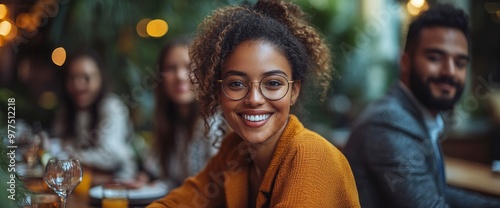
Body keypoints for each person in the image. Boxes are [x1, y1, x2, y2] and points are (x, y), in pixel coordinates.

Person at [147, 0, 360, 207]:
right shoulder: (235, 150)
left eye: (273, 83)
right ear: (218, 91)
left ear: (294, 90)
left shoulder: (310, 155)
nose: (254, 99)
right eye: (237, 84)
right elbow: (179, 202)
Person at [343, 4, 500, 208]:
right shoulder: (389, 122)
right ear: (405, 61)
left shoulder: (421, 117)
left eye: (460, 63)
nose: (450, 72)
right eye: (435, 58)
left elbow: (437, 192)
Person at [140, 38, 223, 188]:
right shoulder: (169, 121)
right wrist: (144, 180)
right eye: (171, 68)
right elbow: (158, 173)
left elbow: (215, 187)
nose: (180, 76)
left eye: (190, 67)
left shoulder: (215, 120)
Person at [52, 50, 136, 179]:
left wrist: (71, 156)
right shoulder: (66, 111)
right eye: (72, 77)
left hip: (118, 185)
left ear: (100, 79)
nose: (78, 84)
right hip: (81, 183)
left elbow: (111, 155)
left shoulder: (112, 107)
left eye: (86, 78)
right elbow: (58, 147)